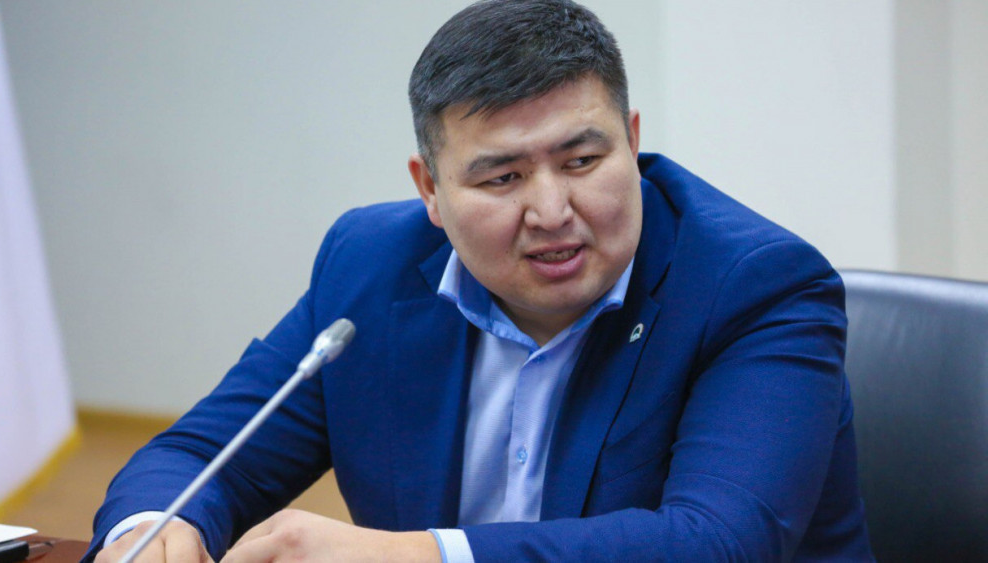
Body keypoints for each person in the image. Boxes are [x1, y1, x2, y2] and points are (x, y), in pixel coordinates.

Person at [89, 0, 873, 560]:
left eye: (582, 159)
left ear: (632, 143)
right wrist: (151, 529)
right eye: (502, 177)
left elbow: (714, 543)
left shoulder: (757, 289)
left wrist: (419, 555)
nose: (552, 211)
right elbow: (200, 454)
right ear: (429, 190)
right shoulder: (369, 265)